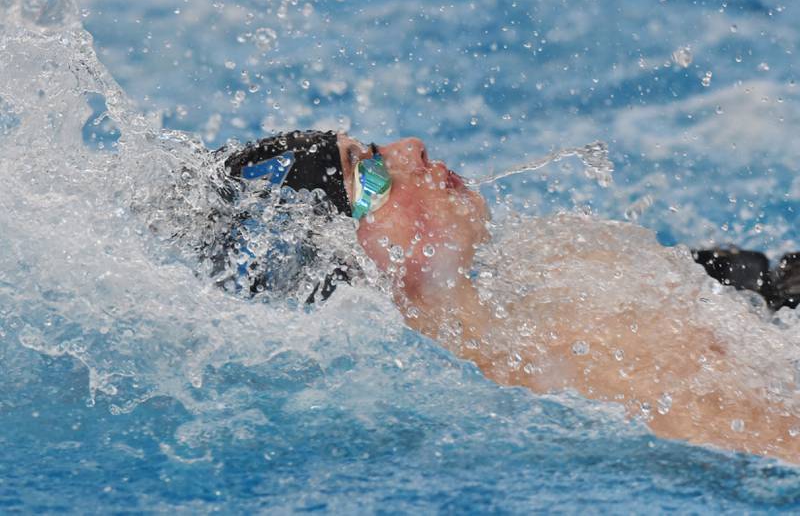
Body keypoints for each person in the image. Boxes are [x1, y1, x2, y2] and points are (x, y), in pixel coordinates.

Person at [212, 129, 800, 463]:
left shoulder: (544, 266)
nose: (411, 146)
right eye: (370, 174)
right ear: (352, 265)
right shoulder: (567, 378)